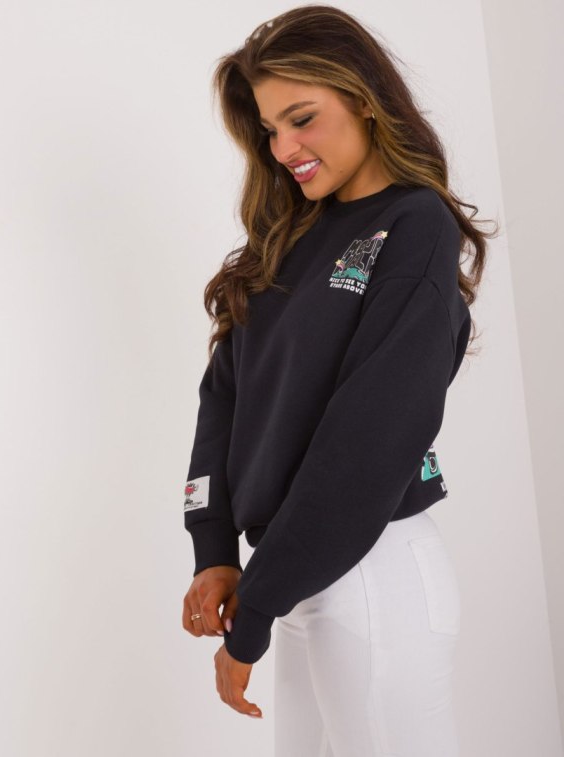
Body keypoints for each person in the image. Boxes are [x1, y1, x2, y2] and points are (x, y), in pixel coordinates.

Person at [181, 5, 498, 755]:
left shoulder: (414, 225)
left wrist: (256, 610)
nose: (283, 148)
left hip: (374, 574)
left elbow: (368, 441)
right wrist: (214, 548)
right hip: (292, 578)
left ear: (363, 97)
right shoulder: (286, 237)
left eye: (302, 119)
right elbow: (223, 397)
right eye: (270, 129)